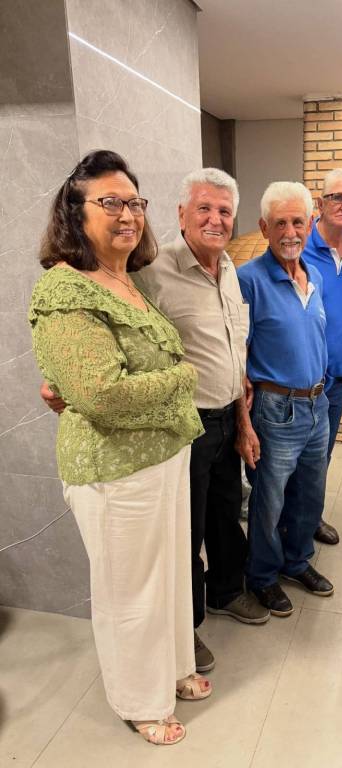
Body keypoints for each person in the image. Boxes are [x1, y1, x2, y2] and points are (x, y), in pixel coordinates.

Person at [43, 168, 269, 674]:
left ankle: (227, 592)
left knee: (225, 515)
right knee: (185, 533)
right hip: (182, 425)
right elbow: (109, 334)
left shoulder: (230, 269)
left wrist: (243, 420)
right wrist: (63, 381)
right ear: (181, 214)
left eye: (224, 211)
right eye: (204, 208)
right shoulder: (150, 269)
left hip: (228, 416)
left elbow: (235, 351)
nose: (215, 219)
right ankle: (186, 629)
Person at [29, 150, 209, 746]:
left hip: (161, 457)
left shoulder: (125, 280)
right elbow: (101, 395)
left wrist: (163, 383)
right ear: (74, 213)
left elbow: (113, 379)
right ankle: (139, 700)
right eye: (110, 202)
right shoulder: (65, 289)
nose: (128, 214)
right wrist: (184, 377)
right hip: (112, 468)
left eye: (134, 202)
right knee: (130, 591)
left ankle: (174, 669)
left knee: (169, 578)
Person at [237, 181, 333, 617]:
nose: (290, 232)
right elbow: (237, 356)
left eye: (298, 222)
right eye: (280, 223)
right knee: (269, 500)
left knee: (310, 494)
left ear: (311, 224)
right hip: (275, 410)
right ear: (264, 228)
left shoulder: (314, 277)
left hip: (317, 405)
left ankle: (296, 562)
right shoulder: (248, 281)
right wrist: (243, 422)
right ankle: (262, 576)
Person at [302, 168, 342, 545]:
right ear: (320, 202)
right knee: (290, 462)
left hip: (338, 378)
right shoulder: (298, 248)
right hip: (297, 383)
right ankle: (283, 531)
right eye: (337, 197)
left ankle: (310, 519)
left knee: (321, 457)